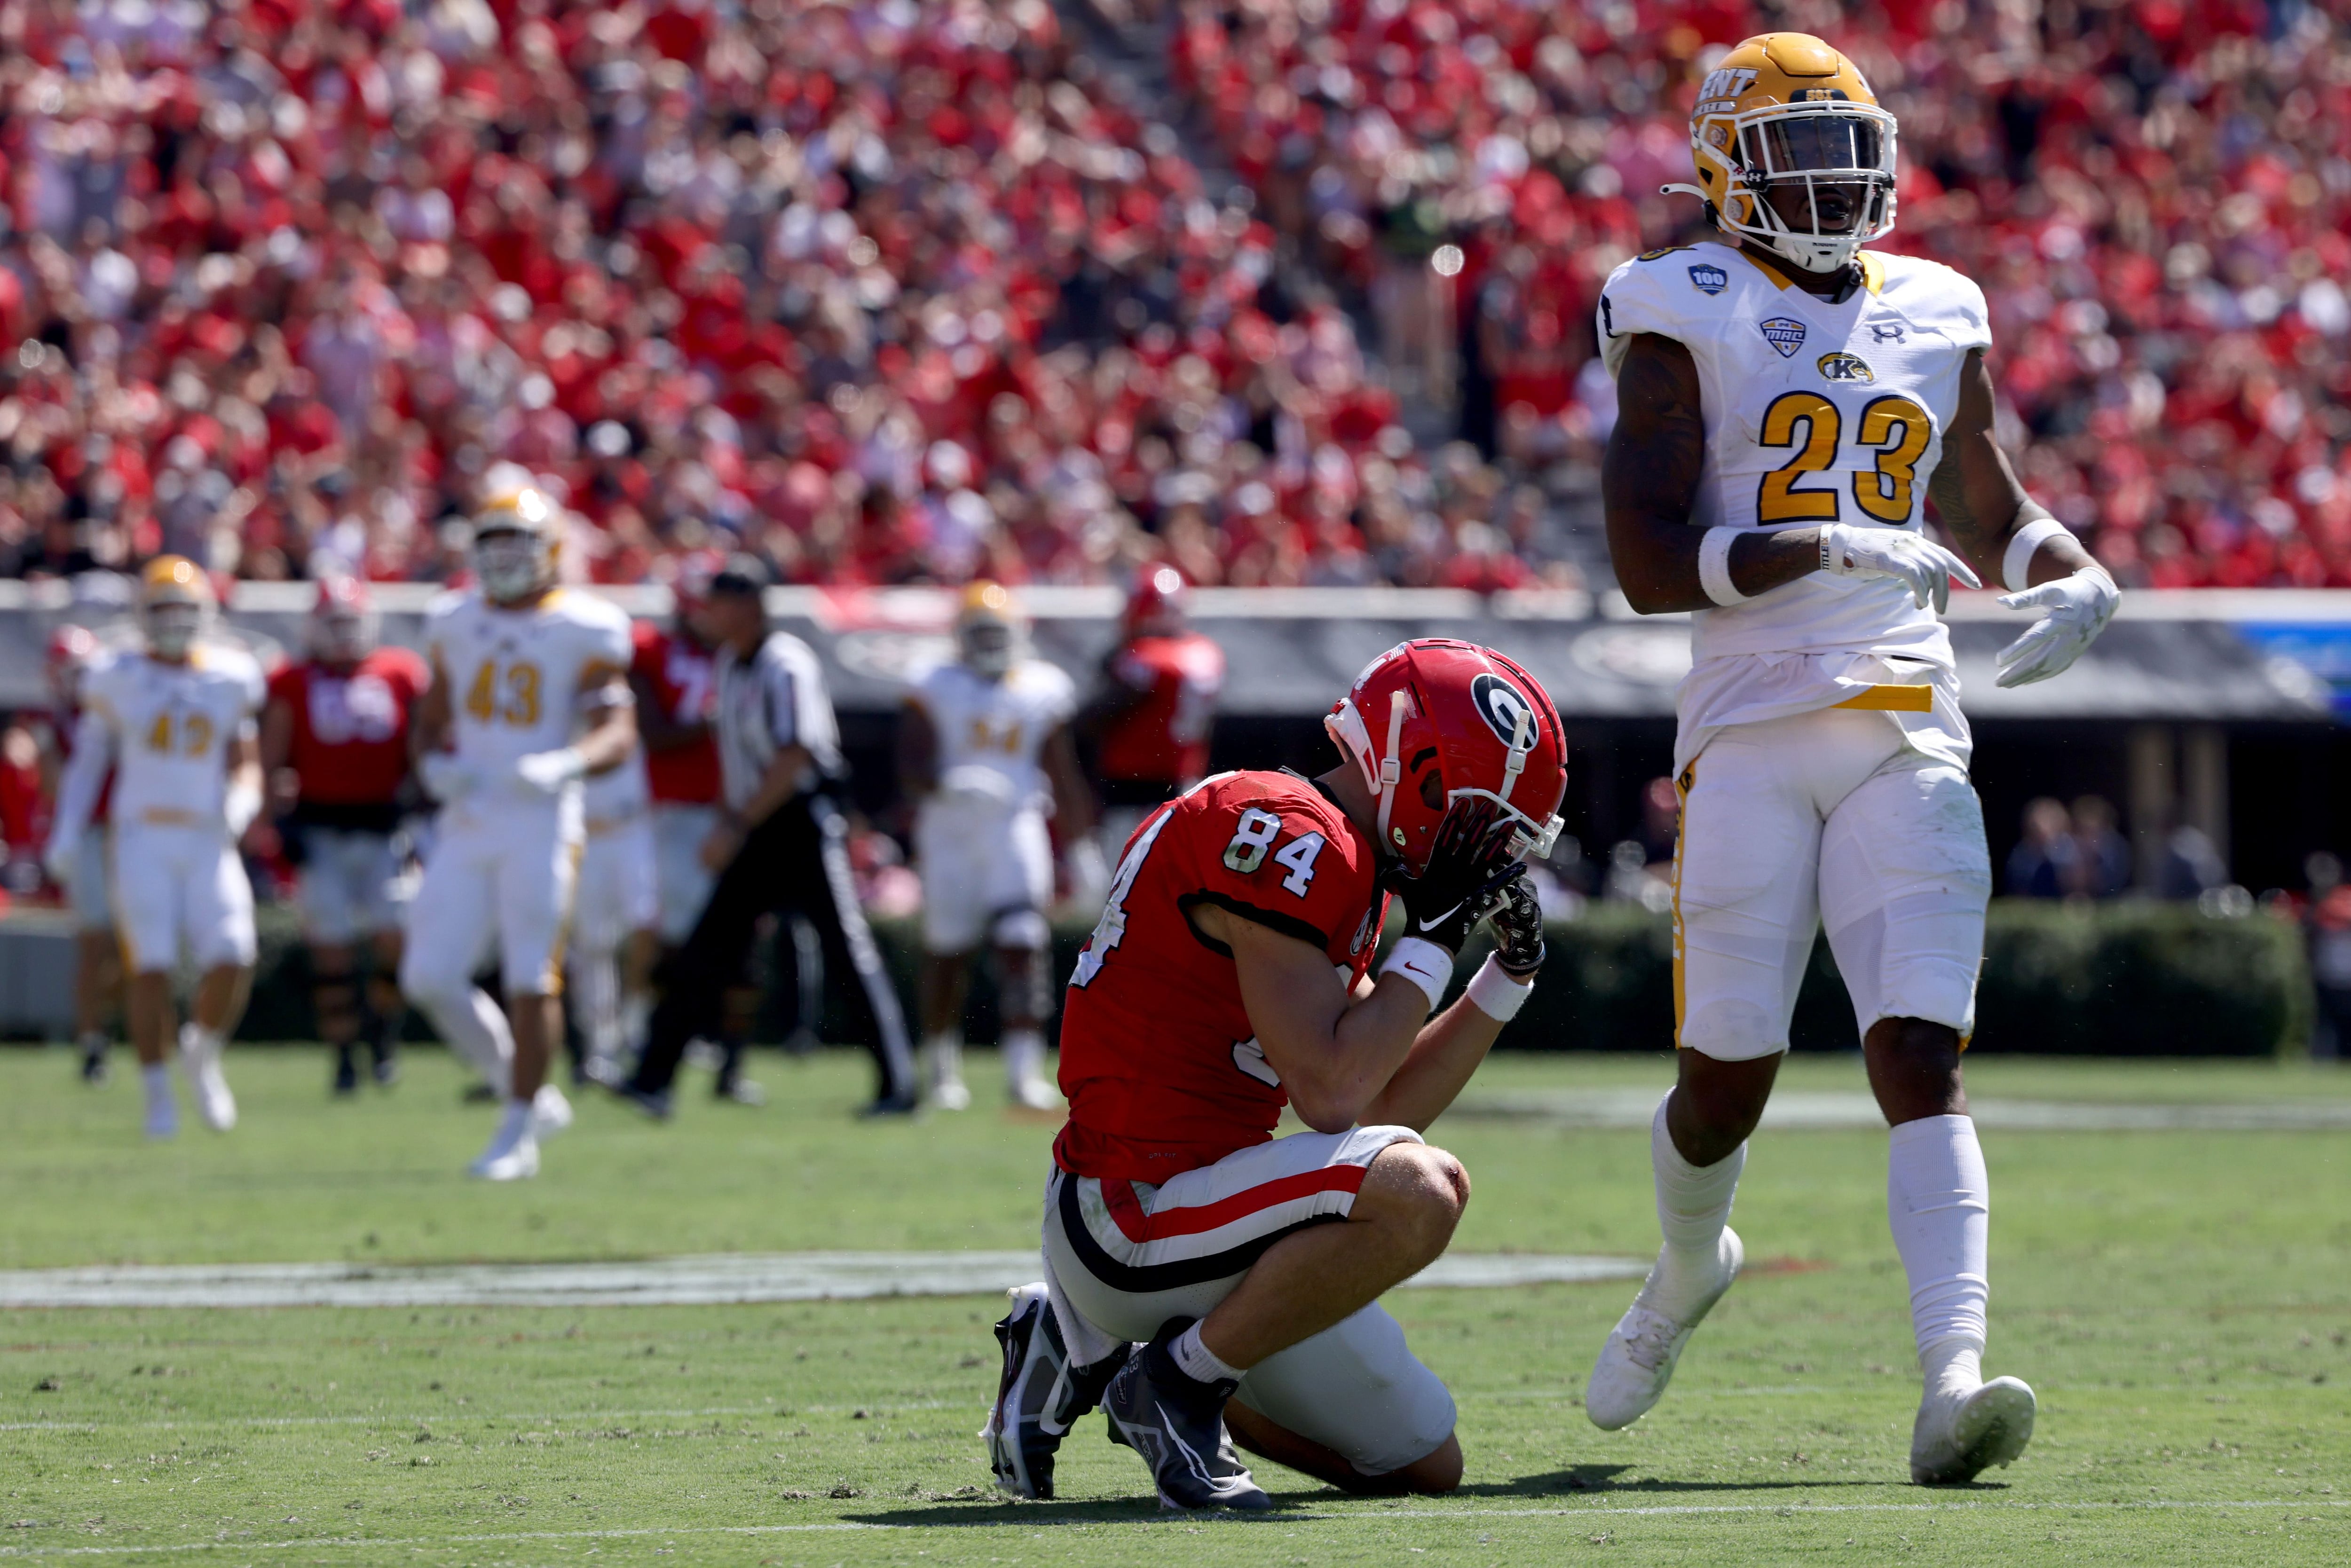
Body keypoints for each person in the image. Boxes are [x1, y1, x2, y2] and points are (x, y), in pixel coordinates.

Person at [1586, 31, 2123, 1486]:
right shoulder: (1672, 300)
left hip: (1904, 714)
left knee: (1919, 1052)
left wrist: (2062, 568)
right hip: (1751, 724)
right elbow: (1644, 564)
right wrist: (1815, 542)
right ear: (1718, 169)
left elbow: (1984, 494)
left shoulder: (1937, 303)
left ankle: (1953, 1376)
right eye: (1793, 158)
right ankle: (1688, 1265)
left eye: (1844, 156)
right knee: (1725, 1079)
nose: (1827, 186)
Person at [982, 639, 1565, 1508]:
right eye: (1485, 828)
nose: (1492, 859)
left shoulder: (1344, 865)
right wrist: (1437, 935)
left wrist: (1505, 978)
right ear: (1423, 778)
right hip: (1132, 1207)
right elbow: (1332, 1095)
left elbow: (1375, 1100)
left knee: (1420, 1463)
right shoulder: (1289, 831)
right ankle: (1176, 1384)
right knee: (1421, 1191)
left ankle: (1103, 1361)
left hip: (1209, 1225)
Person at [399, 479, 639, 1181]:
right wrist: (433, 765)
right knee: (429, 976)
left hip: (540, 819)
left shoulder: (585, 625)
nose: (503, 556)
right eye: (492, 542)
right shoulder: (452, 619)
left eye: (517, 542)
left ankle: (517, 1130)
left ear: (551, 549)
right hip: (470, 815)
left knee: (532, 974)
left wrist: (567, 761)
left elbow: (616, 730)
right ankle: (530, 1091)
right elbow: (433, 718)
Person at [620, 556, 917, 1119]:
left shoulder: (785, 663)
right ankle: (651, 1078)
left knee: (845, 949)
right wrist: (732, 822)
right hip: (757, 819)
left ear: (750, 606)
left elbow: (794, 754)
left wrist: (734, 824)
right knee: (707, 945)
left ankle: (898, 1082)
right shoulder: (731, 664)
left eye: (719, 601)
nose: (706, 612)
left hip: (800, 818)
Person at [46, 558, 265, 1141]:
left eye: (183, 609)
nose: (173, 621)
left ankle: (202, 1050)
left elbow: (246, 758)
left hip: (207, 836)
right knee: (151, 966)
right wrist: (67, 829)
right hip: (142, 834)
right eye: (162, 609)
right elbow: (90, 762)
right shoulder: (115, 674)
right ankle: (157, 1093)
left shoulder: (230, 674)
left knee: (235, 953)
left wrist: (243, 801)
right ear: (144, 615)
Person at [899, 581, 1094, 1111]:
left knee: (1021, 937)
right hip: (949, 828)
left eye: (995, 631)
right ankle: (941, 1066)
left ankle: (1022, 1069)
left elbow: (1062, 769)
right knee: (947, 948)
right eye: (978, 631)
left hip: (1014, 822)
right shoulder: (933, 682)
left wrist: (1079, 845)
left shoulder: (1039, 685)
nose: (988, 642)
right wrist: (945, 783)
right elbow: (909, 766)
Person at [260, 576, 429, 1095]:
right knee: (330, 951)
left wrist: (426, 813)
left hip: (384, 825)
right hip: (320, 826)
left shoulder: (400, 672)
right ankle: (342, 1057)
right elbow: (271, 757)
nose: (341, 633)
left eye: (349, 622)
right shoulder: (292, 680)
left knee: (394, 937)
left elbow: (422, 751)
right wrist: (270, 824)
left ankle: (383, 1032)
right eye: (332, 622)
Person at [1078, 565, 1226, 859]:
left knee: (1122, 874)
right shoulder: (1206, 652)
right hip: (1185, 777)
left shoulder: (1143, 658)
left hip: (1131, 785)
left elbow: (1095, 719)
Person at [41, 623, 121, 1085]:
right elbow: (55, 789)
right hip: (89, 837)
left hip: (131, 835)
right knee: (94, 945)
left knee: (133, 946)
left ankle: (127, 1031)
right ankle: (92, 1041)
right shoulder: (54, 726)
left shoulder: (117, 713)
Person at [568, 735, 663, 1092]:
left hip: (633, 830)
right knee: (592, 944)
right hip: (587, 835)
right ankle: (599, 1046)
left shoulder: (630, 712)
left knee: (648, 926)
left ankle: (635, 1025)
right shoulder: (571, 709)